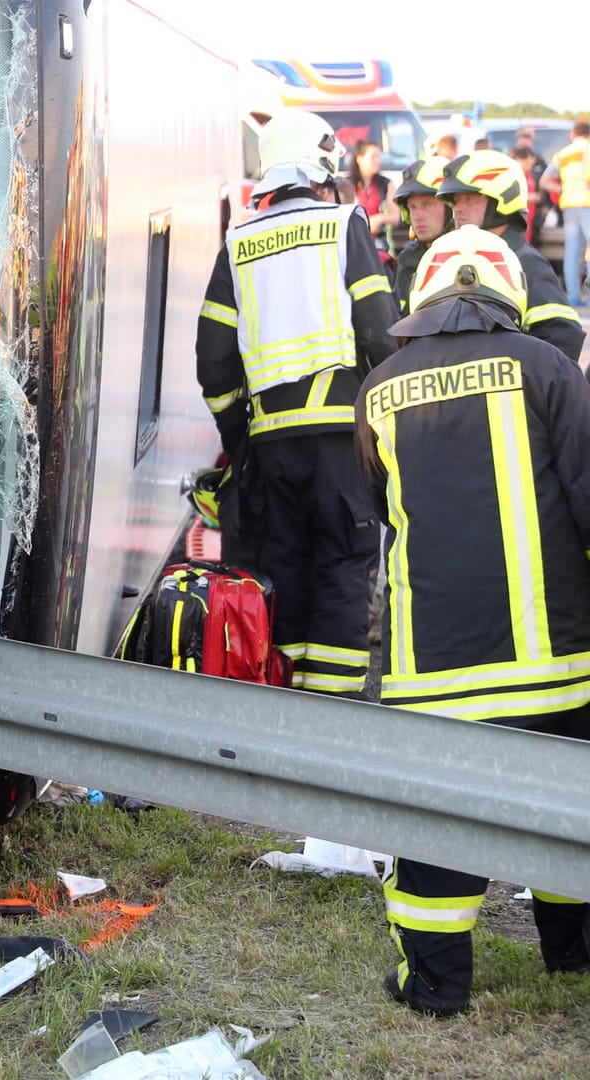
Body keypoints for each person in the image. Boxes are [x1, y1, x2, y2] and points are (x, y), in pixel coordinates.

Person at [355, 225, 590, 1017]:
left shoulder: (379, 390)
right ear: (508, 297)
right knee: (568, 809)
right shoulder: (550, 367)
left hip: (435, 674)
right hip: (559, 667)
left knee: (439, 834)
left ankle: (436, 986)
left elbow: (382, 508)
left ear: (419, 300)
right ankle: (573, 950)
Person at [196, 110, 395, 696]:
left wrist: (240, 438)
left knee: (281, 569)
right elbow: (381, 334)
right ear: (320, 168)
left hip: (271, 449)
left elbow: (212, 359)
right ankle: (329, 718)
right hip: (342, 439)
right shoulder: (344, 224)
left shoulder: (237, 242)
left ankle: (279, 701)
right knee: (343, 562)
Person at [441, 148, 585, 358]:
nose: (458, 209)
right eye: (455, 200)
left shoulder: (524, 262)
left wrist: (522, 377)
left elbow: (564, 335)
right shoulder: (465, 259)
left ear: (502, 201)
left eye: (469, 198)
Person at [391, 157, 451, 310]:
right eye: (412, 207)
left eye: (428, 205)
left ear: (450, 207)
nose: (417, 216)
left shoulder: (472, 256)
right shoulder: (407, 259)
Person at [542, 119, 589, 306]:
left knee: (572, 253)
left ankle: (573, 297)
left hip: (569, 205)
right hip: (587, 203)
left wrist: (564, 190)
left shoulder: (563, 153)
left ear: (573, 134)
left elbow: (545, 181)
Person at [345, 140, 398, 256]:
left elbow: (396, 216)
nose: (378, 161)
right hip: (354, 245)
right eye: (373, 157)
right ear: (359, 159)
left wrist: (379, 219)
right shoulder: (347, 185)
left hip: (380, 246)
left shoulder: (386, 184)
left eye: (379, 156)